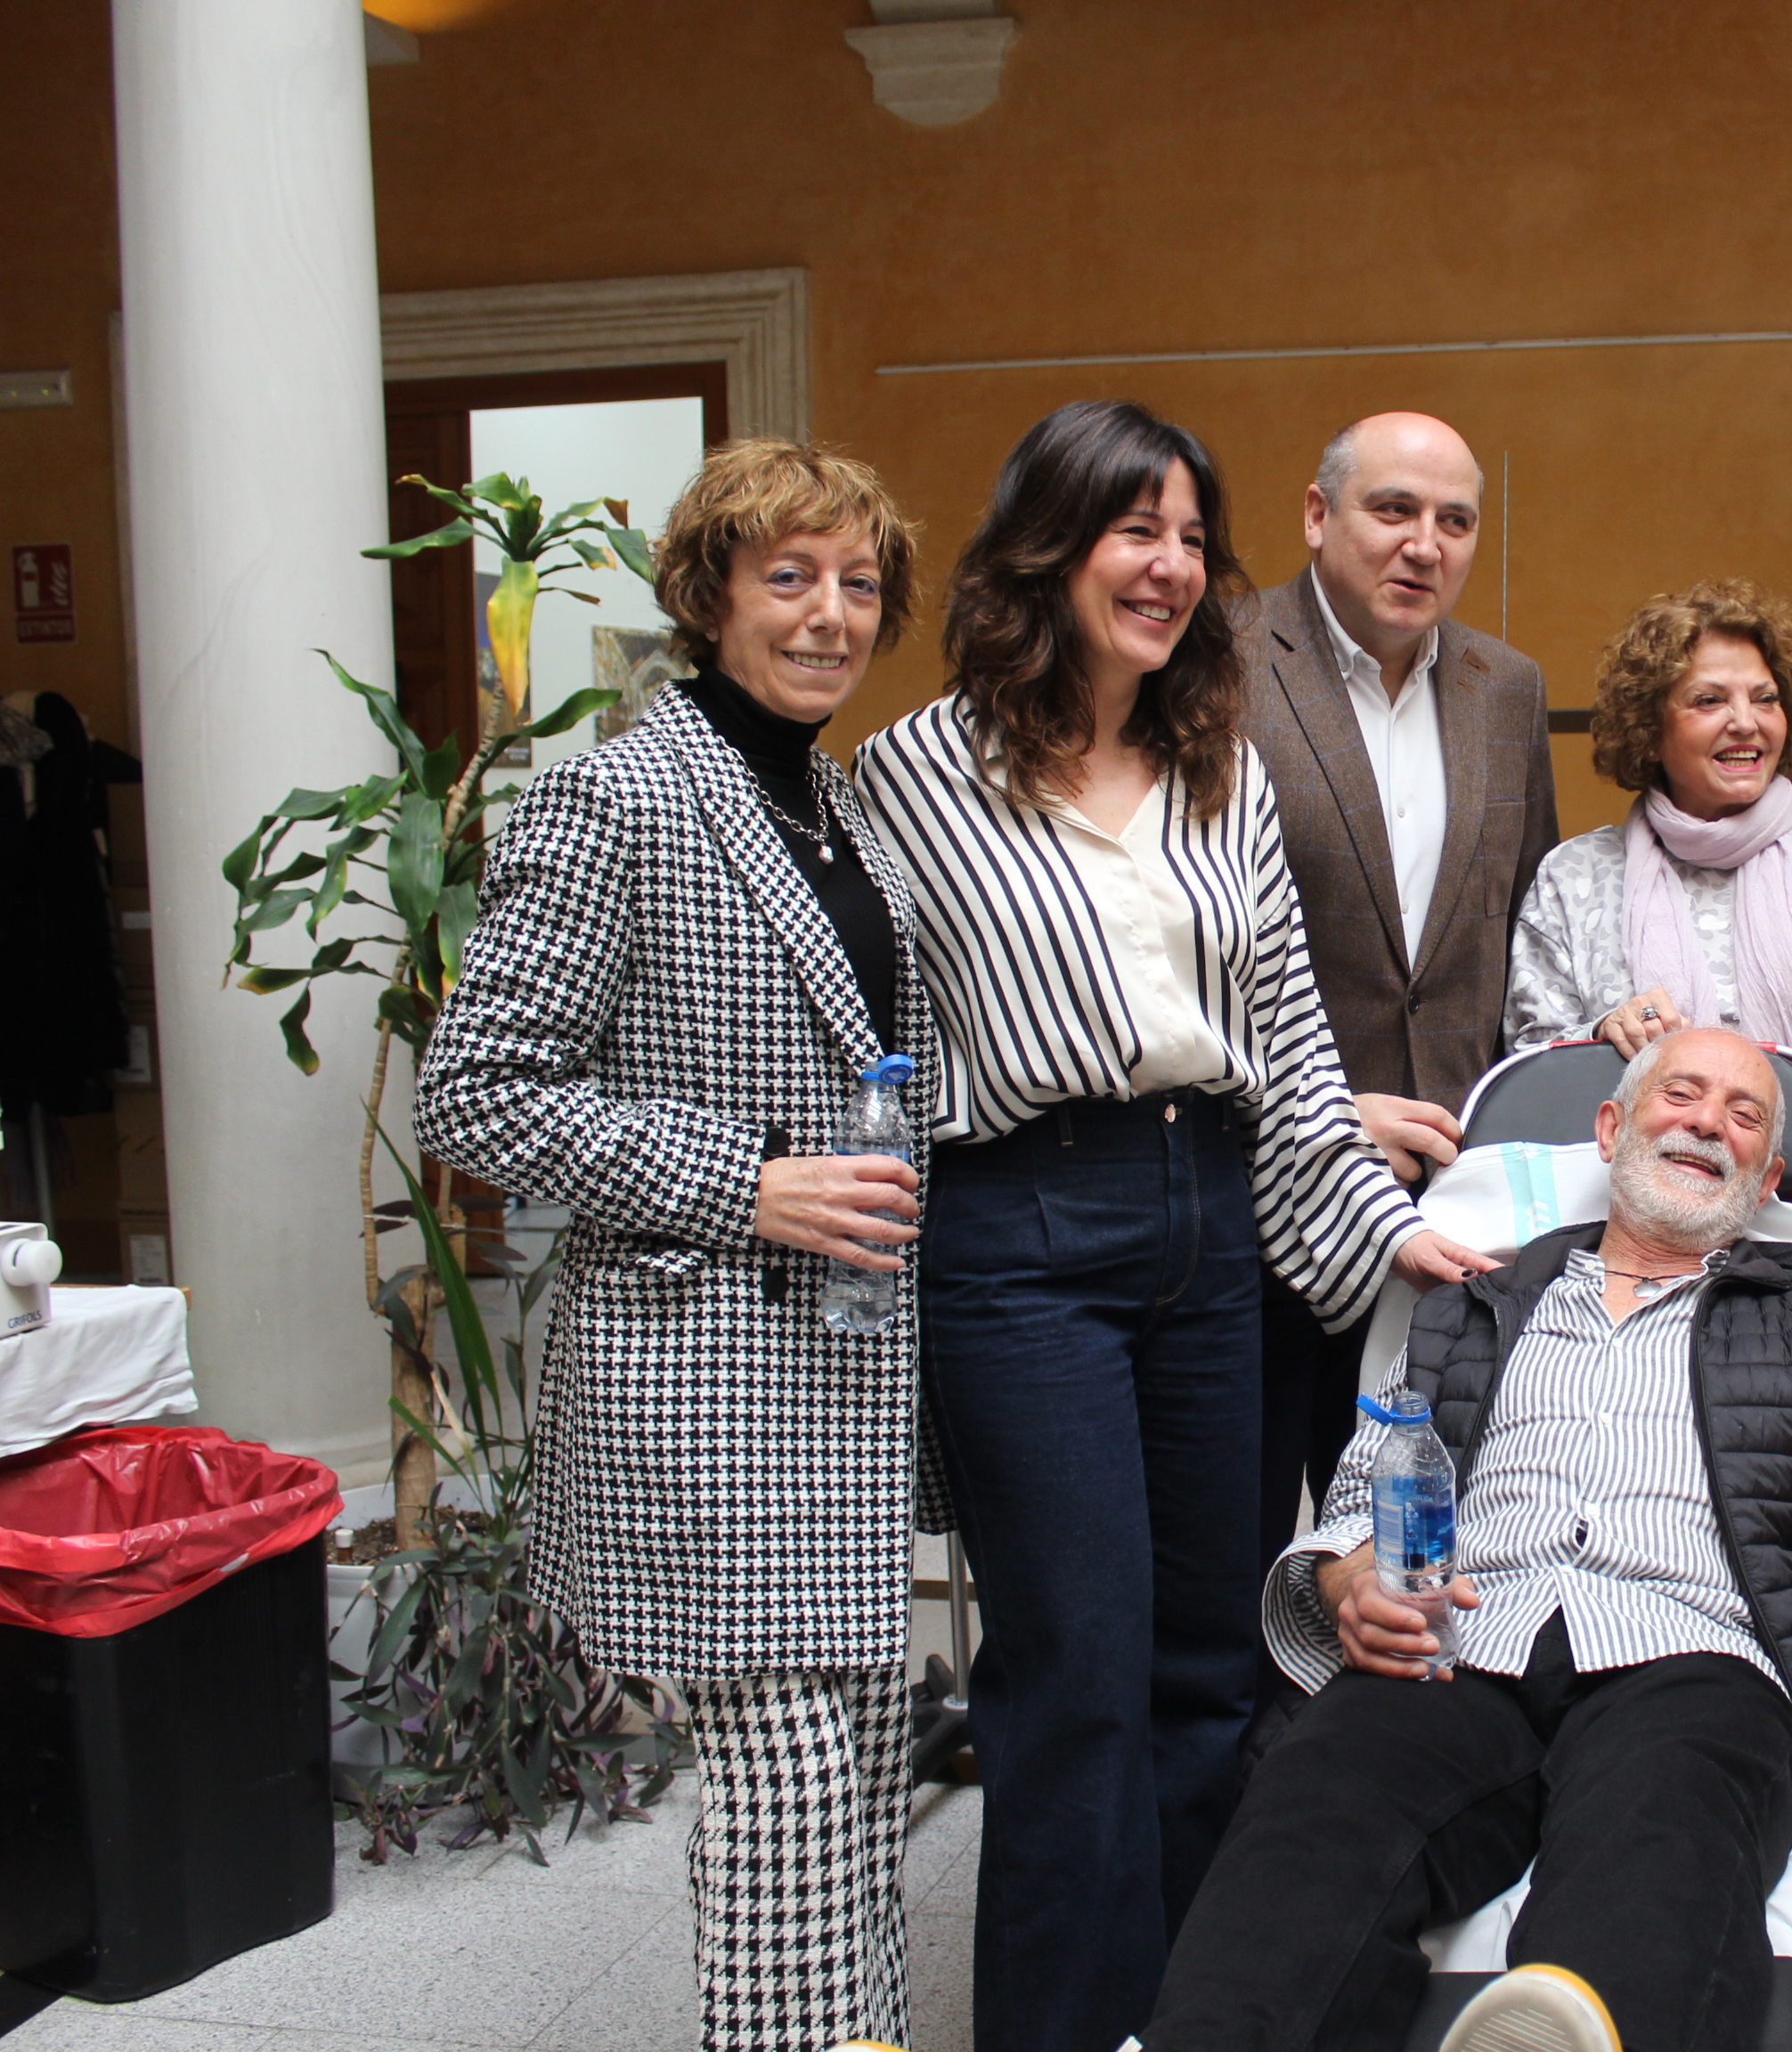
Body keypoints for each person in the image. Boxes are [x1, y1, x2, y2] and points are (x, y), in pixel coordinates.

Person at [1145, 1028, 1792, 2052]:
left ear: (1768, 1177)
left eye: (1745, 1115)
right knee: (1315, 1814)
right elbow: (1359, 1506)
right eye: (1681, 1095)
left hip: (1695, 1659)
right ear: (1612, 1129)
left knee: (1659, 1847)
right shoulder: (1469, 1308)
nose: (1708, 1125)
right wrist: (1354, 1583)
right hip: (1458, 1649)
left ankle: (1566, 2035)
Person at [851, 398, 1495, 2052]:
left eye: (1192, 538)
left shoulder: (1221, 769)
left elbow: (1287, 1046)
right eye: (1135, 529)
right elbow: (871, 1035)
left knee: (1211, 1663)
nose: (1169, 566)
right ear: (1048, 545)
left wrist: (1384, 1231)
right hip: (1022, 1230)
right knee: (1075, 1672)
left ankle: (1206, 2021)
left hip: (1210, 1222)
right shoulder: (916, 774)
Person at [412, 440, 929, 2051]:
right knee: (791, 1788)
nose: (830, 614)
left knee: (859, 1773)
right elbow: (478, 1092)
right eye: (790, 578)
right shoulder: (616, 793)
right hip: (700, 1372)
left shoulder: (839, 804)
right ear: (710, 597)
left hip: (850, 1369)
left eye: (857, 584)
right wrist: (747, 1178)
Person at [1237, 411, 1558, 1640]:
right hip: (1271, 1182)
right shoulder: (1219, 663)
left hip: (1447, 1191)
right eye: (1393, 509)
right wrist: (1316, 1112)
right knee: (1244, 1523)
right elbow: (1185, 939)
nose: (1425, 543)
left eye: (1455, 520)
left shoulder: (1505, 688)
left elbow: (1521, 921)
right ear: (1319, 516)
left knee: (1418, 1527)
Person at [1506, 581, 1792, 1280]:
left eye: (1765, 698)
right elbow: (1538, 1065)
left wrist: (1748, 1143)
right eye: (1709, 701)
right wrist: (1603, 1035)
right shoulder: (1574, 877)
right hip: (1639, 1244)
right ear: (1650, 727)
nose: (1746, 723)